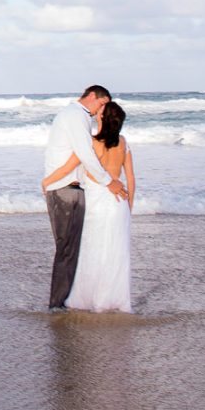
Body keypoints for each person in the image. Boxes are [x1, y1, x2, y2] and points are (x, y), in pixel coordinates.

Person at [41, 85, 126, 310]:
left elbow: (80, 155)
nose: (103, 109)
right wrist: (110, 182)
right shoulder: (75, 116)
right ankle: (57, 304)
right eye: (102, 103)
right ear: (91, 96)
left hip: (70, 187)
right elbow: (84, 154)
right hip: (65, 188)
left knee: (71, 249)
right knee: (66, 248)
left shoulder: (78, 117)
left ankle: (64, 301)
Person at [66, 100, 135, 313]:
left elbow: (69, 167)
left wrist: (49, 180)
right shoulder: (123, 142)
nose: (97, 113)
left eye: (100, 112)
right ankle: (111, 300)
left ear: (102, 118)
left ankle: (89, 300)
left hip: (97, 203)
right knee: (116, 254)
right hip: (118, 204)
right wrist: (129, 207)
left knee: (92, 251)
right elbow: (131, 179)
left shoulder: (92, 143)